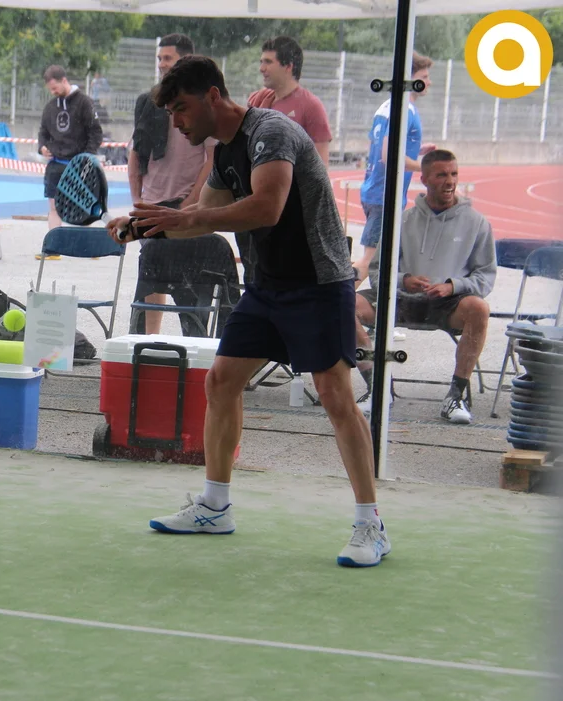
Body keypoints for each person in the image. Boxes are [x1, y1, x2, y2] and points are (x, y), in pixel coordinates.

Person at [108, 56, 387, 568]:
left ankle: (371, 524)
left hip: (318, 284)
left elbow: (266, 207)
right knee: (221, 381)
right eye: (171, 113)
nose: (177, 122)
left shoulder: (270, 133)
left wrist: (181, 218)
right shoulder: (224, 153)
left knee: (335, 396)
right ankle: (215, 507)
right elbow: (199, 219)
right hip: (267, 286)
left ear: (213, 96)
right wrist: (140, 227)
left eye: (182, 108)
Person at [355, 150, 495, 424]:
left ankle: (455, 396)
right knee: (344, 306)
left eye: (454, 174)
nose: (450, 181)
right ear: (425, 179)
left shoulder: (477, 223)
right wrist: (404, 279)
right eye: (441, 175)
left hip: (448, 304)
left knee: (479, 308)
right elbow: (377, 270)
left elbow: (485, 276)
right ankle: (377, 388)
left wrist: (453, 286)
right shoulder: (402, 220)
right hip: (399, 299)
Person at [128, 33, 215, 334]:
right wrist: (138, 199)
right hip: (151, 205)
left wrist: (191, 201)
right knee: (152, 278)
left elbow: (212, 159)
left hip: (186, 206)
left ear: (186, 61)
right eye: (159, 59)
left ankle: (195, 342)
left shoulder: (203, 105)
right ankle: (147, 342)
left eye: (168, 58)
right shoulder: (149, 102)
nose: (162, 65)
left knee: (189, 283)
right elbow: (136, 154)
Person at [238, 35, 332, 284]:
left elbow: (320, 167)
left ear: (288, 66)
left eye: (268, 62)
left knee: (281, 278)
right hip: (255, 206)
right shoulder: (258, 102)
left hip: (289, 213)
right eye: (261, 61)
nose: (261, 68)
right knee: (253, 276)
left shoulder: (310, 106)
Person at [352, 52, 437, 285]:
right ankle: (337, 301)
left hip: (375, 191)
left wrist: (417, 150)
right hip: (384, 195)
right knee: (370, 260)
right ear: (409, 78)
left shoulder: (386, 106)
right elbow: (388, 155)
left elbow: (380, 146)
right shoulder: (404, 110)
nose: (429, 82)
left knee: (379, 258)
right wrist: (427, 168)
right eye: (424, 77)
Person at [37, 65, 103, 256]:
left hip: (79, 165)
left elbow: (95, 133)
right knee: (53, 207)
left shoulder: (84, 103)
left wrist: (86, 157)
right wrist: (42, 147)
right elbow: (43, 132)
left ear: (64, 81)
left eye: (55, 87)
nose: (53, 92)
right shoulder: (51, 107)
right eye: (50, 89)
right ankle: (54, 248)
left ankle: (86, 247)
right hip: (55, 165)